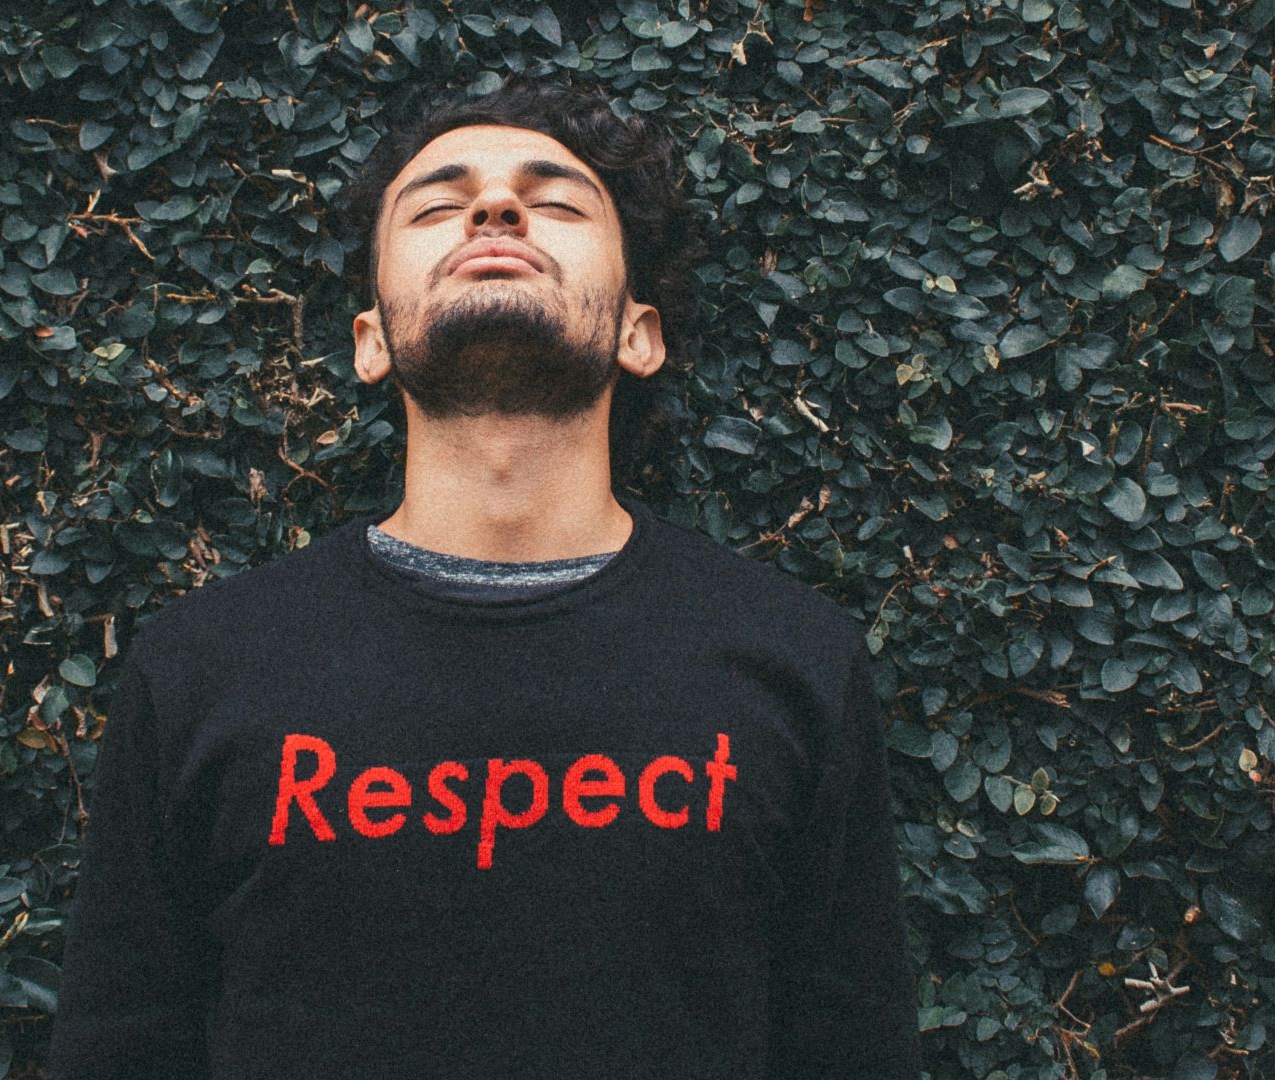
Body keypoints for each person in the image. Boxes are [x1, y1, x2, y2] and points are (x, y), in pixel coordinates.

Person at [45, 74, 923, 1079]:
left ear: (641, 332)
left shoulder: (793, 657)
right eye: (435, 204)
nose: (496, 208)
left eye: (554, 199)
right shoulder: (201, 666)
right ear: (372, 341)